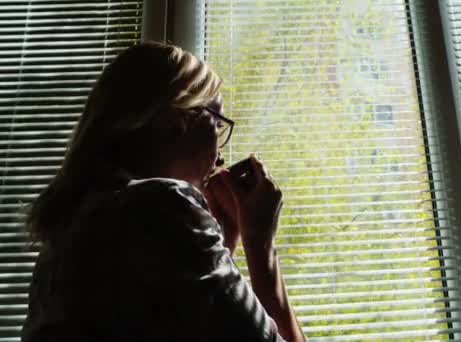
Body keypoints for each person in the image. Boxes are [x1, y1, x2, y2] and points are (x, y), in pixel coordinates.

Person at [21, 42, 306, 342]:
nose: (219, 157)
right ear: (177, 119)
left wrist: (222, 241)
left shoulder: (58, 245)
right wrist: (261, 245)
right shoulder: (164, 206)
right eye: (217, 125)